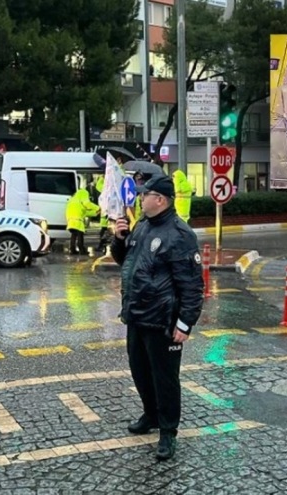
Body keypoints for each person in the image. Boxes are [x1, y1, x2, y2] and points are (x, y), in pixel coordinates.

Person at [110, 174, 204, 461]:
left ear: (160, 199)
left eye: (145, 194)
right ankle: (150, 414)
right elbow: (124, 261)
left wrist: (185, 322)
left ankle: (168, 431)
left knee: (165, 379)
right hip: (136, 316)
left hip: (163, 320)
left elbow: (192, 284)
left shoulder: (180, 234)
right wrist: (119, 239)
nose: (140, 198)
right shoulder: (142, 226)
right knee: (140, 372)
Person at [65, 186, 100, 255]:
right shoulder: (84, 192)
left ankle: (72, 250)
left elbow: (86, 212)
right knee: (80, 233)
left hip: (70, 216)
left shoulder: (76, 196)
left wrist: (96, 213)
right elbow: (87, 204)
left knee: (74, 234)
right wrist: (97, 208)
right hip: (77, 217)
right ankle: (82, 250)